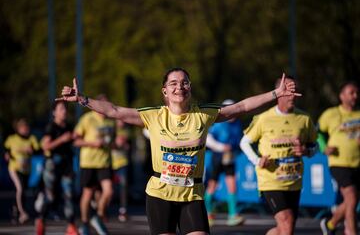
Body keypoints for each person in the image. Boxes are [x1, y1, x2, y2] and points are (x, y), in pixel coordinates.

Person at [56, 68, 299, 235]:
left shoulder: (203, 114)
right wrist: (82, 99)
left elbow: (241, 107)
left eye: (184, 82)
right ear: (164, 91)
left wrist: (276, 93)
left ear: (190, 88)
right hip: (161, 193)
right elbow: (115, 111)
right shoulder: (153, 115)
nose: (179, 86)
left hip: (191, 193)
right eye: (173, 83)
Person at [240, 75, 318, 235]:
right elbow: (244, 142)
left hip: (294, 180)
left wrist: (306, 151)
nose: (293, 95)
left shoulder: (304, 118)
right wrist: (256, 160)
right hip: (271, 180)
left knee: (286, 228)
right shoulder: (263, 118)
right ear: (279, 93)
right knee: (287, 221)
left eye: (295, 90)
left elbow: (314, 145)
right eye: (288, 91)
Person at [318, 81, 359, 235]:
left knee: (351, 201)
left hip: (357, 163)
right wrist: (324, 147)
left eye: (357, 93)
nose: (355, 96)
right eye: (351, 92)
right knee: (352, 197)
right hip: (339, 163)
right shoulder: (331, 114)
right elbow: (317, 133)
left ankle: (330, 224)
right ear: (342, 96)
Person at [73, 94, 115, 235]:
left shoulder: (110, 121)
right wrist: (92, 143)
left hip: (105, 162)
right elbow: (76, 141)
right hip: (89, 162)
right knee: (88, 193)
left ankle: (98, 214)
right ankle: (85, 222)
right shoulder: (87, 119)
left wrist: (117, 144)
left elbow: (112, 142)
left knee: (108, 191)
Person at [34, 101, 78, 235]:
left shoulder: (69, 126)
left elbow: (74, 141)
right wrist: (62, 140)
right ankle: (40, 220)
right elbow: (45, 146)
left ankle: (71, 226)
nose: (64, 111)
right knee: (51, 197)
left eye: (65, 108)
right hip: (52, 165)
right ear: (54, 112)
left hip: (67, 165)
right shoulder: (50, 127)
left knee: (69, 194)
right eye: (60, 109)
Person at [204, 99, 245, 227]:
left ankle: (232, 215)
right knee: (212, 186)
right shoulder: (218, 123)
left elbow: (238, 141)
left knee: (232, 185)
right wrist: (222, 147)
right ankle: (207, 214)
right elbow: (208, 139)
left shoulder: (237, 123)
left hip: (230, 158)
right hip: (217, 158)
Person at [4, 118, 40, 224]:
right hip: (14, 168)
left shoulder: (31, 139)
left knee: (22, 191)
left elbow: (38, 150)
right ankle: (23, 213)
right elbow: (6, 150)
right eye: (23, 128)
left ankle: (16, 212)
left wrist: (31, 151)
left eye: (27, 128)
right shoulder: (12, 139)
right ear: (19, 129)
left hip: (25, 169)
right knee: (20, 188)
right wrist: (7, 155)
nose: (26, 130)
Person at [111, 119, 130, 222]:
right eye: (119, 120)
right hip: (111, 163)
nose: (121, 122)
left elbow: (126, 145)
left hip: (122, 163)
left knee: (123, 187)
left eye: (122, 120)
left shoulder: (126, 131)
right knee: (109, 189)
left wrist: (122, 144)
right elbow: (111, 145)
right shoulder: (111, 131)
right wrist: (115, 143)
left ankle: (123, 210)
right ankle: (103, 210)